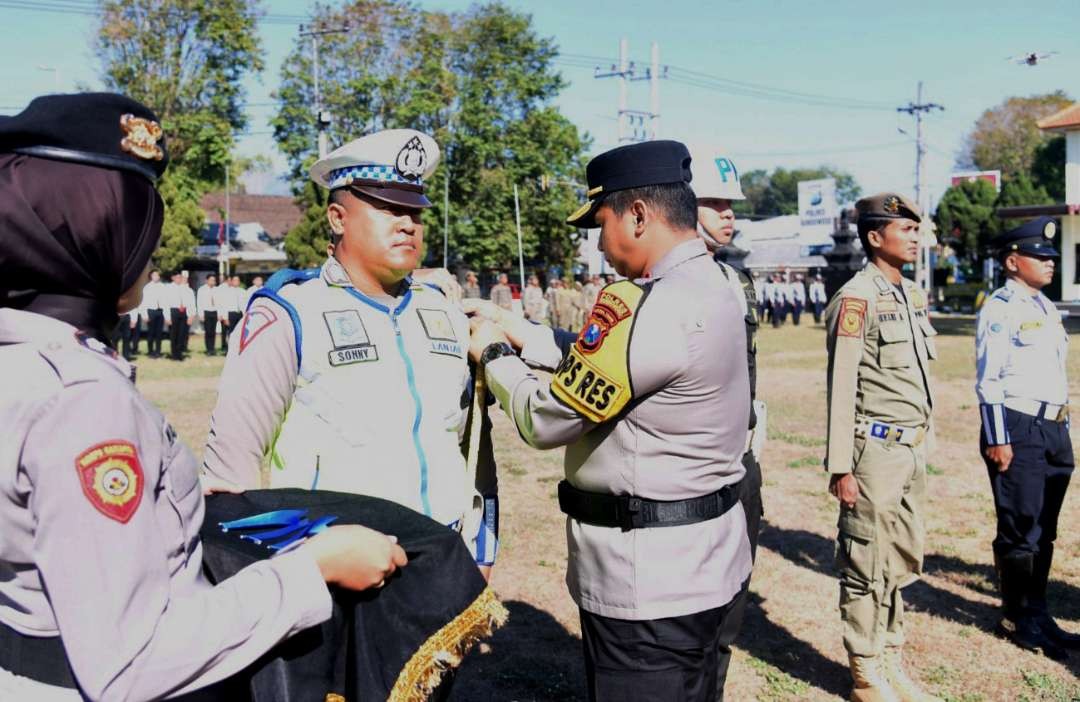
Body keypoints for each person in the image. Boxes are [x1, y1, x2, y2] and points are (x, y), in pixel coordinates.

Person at [0, 92, 406, 701]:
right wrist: (311, 568)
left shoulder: (25, 352)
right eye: (136, 220)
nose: (149, 244)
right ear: (91, 232)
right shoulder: (82, 399)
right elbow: (132, 661)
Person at [468, 140, 751, 702]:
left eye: (602, 223)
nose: (598, 243)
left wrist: (495, 354)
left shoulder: (648, 304)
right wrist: (526, 331)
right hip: (705, 563)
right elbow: (625, 362)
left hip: (646, 582)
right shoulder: (715, 285)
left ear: (639, 215)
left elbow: (545, 420)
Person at [202, 128, 498, 572]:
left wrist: (482, 550)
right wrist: (296, 573)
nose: (407, 223)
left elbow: (475, 448)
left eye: (415, 209)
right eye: (387, 207)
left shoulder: (446, 315)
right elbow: (231, 477)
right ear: (338, 218)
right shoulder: (289, 314)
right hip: (337, 575)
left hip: (442, 559)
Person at [824, 193, 941, 702]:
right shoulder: (857, 299)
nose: (915, 237)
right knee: (866, 562)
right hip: (872, 454)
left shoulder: (910, 296)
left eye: (917, 230)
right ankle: (866, 672)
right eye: (905, 229)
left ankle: (890, 656)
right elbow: (841, 386)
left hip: (910, 453)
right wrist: (840, 467)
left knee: (899, 561)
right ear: (875, 237)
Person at [976, 216, 1078, 660]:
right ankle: (1018, 617)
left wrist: (1064, 428)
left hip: (1052, 427)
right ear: (1013, 261)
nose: (1049, 264)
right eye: (1041, 257)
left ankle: (1038, 612)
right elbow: (989, 379)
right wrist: (999, 438)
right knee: (1020, 527)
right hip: (1018, 426)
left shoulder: (1043, 306)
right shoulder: (1001, 307)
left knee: (1045, 528)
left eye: (1051, 257)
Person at [691, 147, 764, 698]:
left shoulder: (737, 281)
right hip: (690, 467)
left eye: (731, 204)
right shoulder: (651, 281)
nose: (728, 214)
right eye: (714, 203)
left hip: (740, 457)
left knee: (733, 591)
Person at [141, 268, 166, 357]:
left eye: (157, 275)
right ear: (151, 276)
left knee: (159, 333)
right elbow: (143, 302)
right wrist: (144, 314)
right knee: (151, 333)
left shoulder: (163, 286)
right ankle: (150, 351)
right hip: (151, 311)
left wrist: (166, 315)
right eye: (154, 275)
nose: (156, 276)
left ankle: (158, 351)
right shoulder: (147, 287)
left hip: (160, 311)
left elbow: (165, 302)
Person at [196, 273, 221, 356]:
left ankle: (212, 348)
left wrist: (219, 313)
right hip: (206, 312)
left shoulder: (217, 289)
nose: (212, 282)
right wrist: (201, 314)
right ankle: (208, 349)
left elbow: (219, 303)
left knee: (213, 332)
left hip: (214, 312)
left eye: (214, 280)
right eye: (211, 280)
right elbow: (199, 303)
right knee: (208, 331)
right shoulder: (201, 290)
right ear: (206, 280)